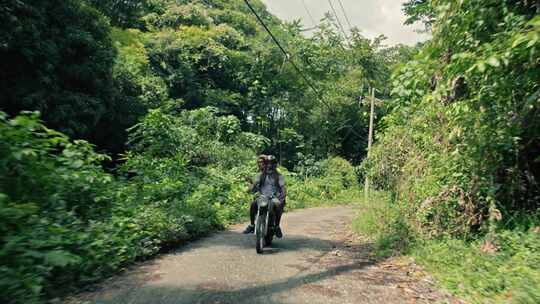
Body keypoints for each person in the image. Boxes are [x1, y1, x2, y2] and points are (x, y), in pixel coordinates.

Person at [243, 155, 286, 238]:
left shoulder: (279, 176)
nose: (269, 165)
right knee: (253, 204)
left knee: (279, 207)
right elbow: (255, 186)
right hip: (263, 197)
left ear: (275, 165)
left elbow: (283, 188)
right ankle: (252, 225)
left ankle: (277, 226)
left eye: (272, 163)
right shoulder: (261, 175)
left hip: (274, 198)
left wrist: (281, 198)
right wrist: (250, 188)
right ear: (265, 165)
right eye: (267, 163)